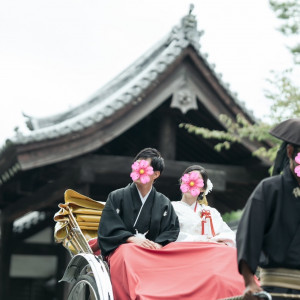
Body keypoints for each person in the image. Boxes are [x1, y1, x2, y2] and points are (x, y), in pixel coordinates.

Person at [236, 118, 300, 300]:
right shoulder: (270, 189)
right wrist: (250, 282)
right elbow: (249, 235)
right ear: (290, 152)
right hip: (275, 289)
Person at [98, 147, 180, 258]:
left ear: (155, 174)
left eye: (144, 167)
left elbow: (172, 230)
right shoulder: (116, 196)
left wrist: (158, 245)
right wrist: (131, 239)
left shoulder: (164, 203)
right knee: (127, 251)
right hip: (123, 249)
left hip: (152, 252)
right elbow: (108, 226)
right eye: (137, 166)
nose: (138, 170)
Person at [172, 165, 236, 247]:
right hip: (182, 253)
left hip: (208, 254)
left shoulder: (212, 213)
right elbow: (169, 234)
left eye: (197, 180)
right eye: (188, 178)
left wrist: (214, 242)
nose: (191, 182)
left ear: (203, 189)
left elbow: (228, 235)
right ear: (182, 181)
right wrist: (200, 240)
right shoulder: (170, 207)